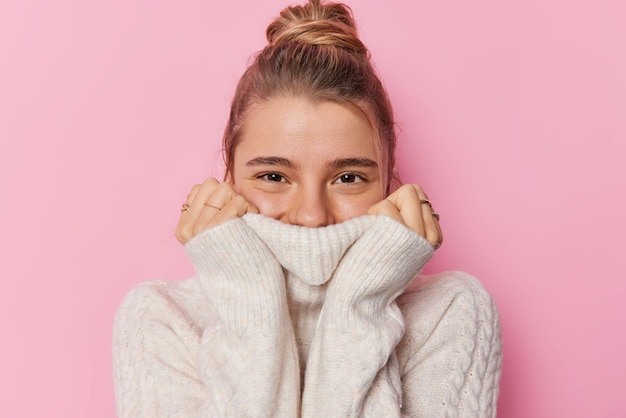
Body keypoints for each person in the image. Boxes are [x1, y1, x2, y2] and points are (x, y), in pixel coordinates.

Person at [113, 0, 502, 416]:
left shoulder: (448, 311)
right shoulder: (163, 319)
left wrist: (362, 302)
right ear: (228, 179)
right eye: (274, 177)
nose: (312, 216)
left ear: (389, 183)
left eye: (348, 178)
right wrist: (249, 298)